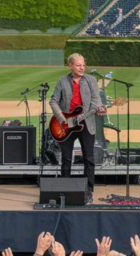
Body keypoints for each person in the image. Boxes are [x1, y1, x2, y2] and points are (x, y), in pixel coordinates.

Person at [49, 53, 102, 205]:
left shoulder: (91, 80)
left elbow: (96, 103)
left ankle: (89, 191)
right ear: (70, 65)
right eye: (78, 65)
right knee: (66, 159)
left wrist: (81, 117)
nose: (82, 68)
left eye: (83, 65)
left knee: (89, 159)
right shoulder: (62, 81)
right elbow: (53, 101)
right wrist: (62, 119)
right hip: (66, 126)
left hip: (86, 124)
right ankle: (65, 191)